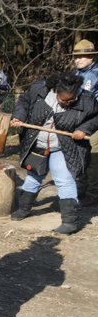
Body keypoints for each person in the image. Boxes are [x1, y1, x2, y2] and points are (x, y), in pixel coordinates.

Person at [10, 72, 98, 234]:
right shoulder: (39, 89)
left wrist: (83, 129)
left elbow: (95, 117)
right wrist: (19, 116)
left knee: (64, 179)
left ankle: (70, 221)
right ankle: (24, 208)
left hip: (64, 146)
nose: (67, 103)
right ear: (56, 91)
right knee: (33, 176)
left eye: (72, 100)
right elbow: (23, 100)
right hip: (38, 143)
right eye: (64, 100)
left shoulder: (87, 99)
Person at [68, 39, 98, 206]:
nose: (78, 60)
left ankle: (94, 193)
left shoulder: (97, 73)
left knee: (94, 153)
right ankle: (81, 189)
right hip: (81, 120)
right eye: (75, 57)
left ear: (91, 56)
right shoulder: (75, 75)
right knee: (81, 154)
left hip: (96, 120)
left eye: (82, 56)